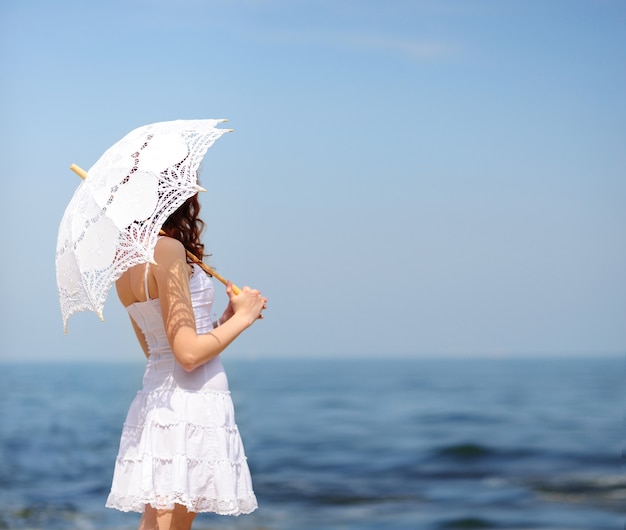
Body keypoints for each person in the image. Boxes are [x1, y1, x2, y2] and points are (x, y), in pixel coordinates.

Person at [105, 193, 266, 530]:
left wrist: (221, 323)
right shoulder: (168, 250)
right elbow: (189, 355)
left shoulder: (125, 261)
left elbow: (159, 350)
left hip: (159, 400)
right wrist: (245, 317)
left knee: (158, 523)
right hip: (188, 406)